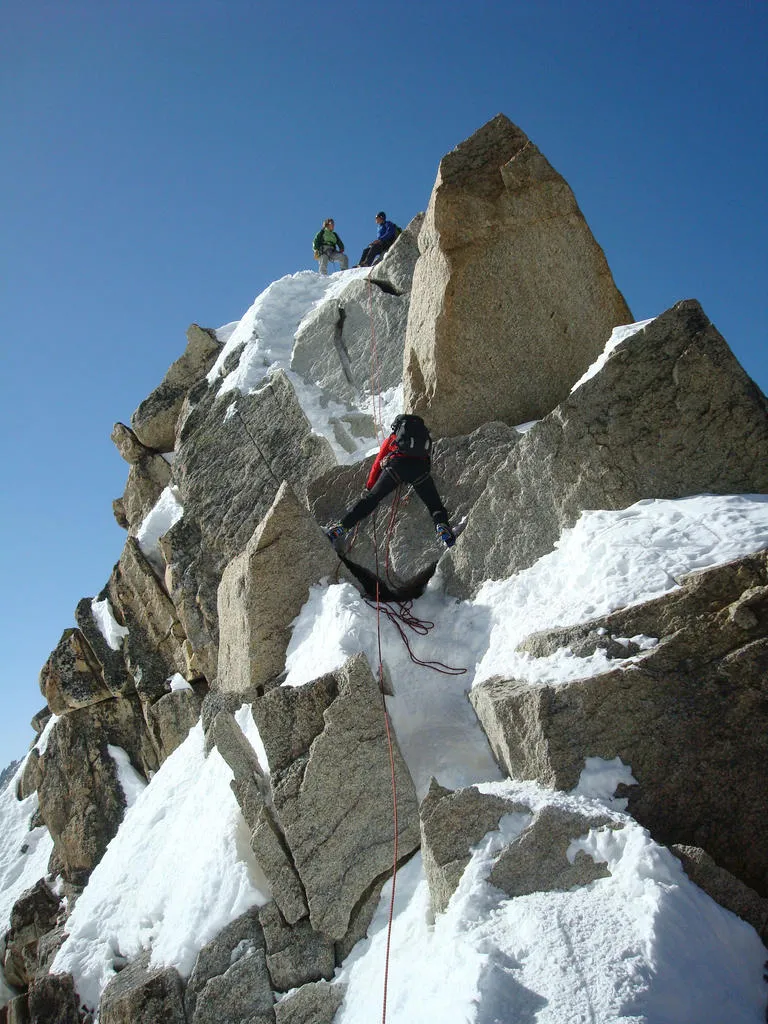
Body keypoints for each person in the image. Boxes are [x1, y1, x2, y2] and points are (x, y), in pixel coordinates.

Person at [326, 415, 456, 548]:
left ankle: (342, 527)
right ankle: (441, 526)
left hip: (396, 468)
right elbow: (428, 459)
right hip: (419, 470)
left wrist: (370, 486)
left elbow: (377, 464)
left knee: (371, 499)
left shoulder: (393, 439)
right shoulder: (423, 439)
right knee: (435, 506)